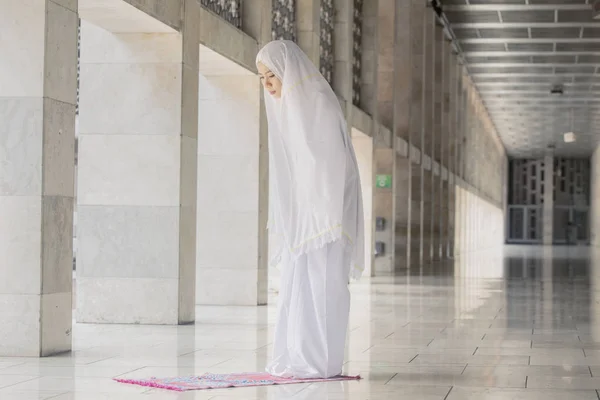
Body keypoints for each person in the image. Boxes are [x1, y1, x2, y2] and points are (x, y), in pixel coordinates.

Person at [256, 40, 365, 379]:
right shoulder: (291, 108)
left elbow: (332, 166)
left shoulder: (317, 102)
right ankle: (299, 358)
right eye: (262, 78)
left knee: (323, 288)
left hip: (325, 218)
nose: (268, 85)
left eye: (271, 75)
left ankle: (321, 363)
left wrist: (322, 215)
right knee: (297, 288)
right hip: (304, 219)